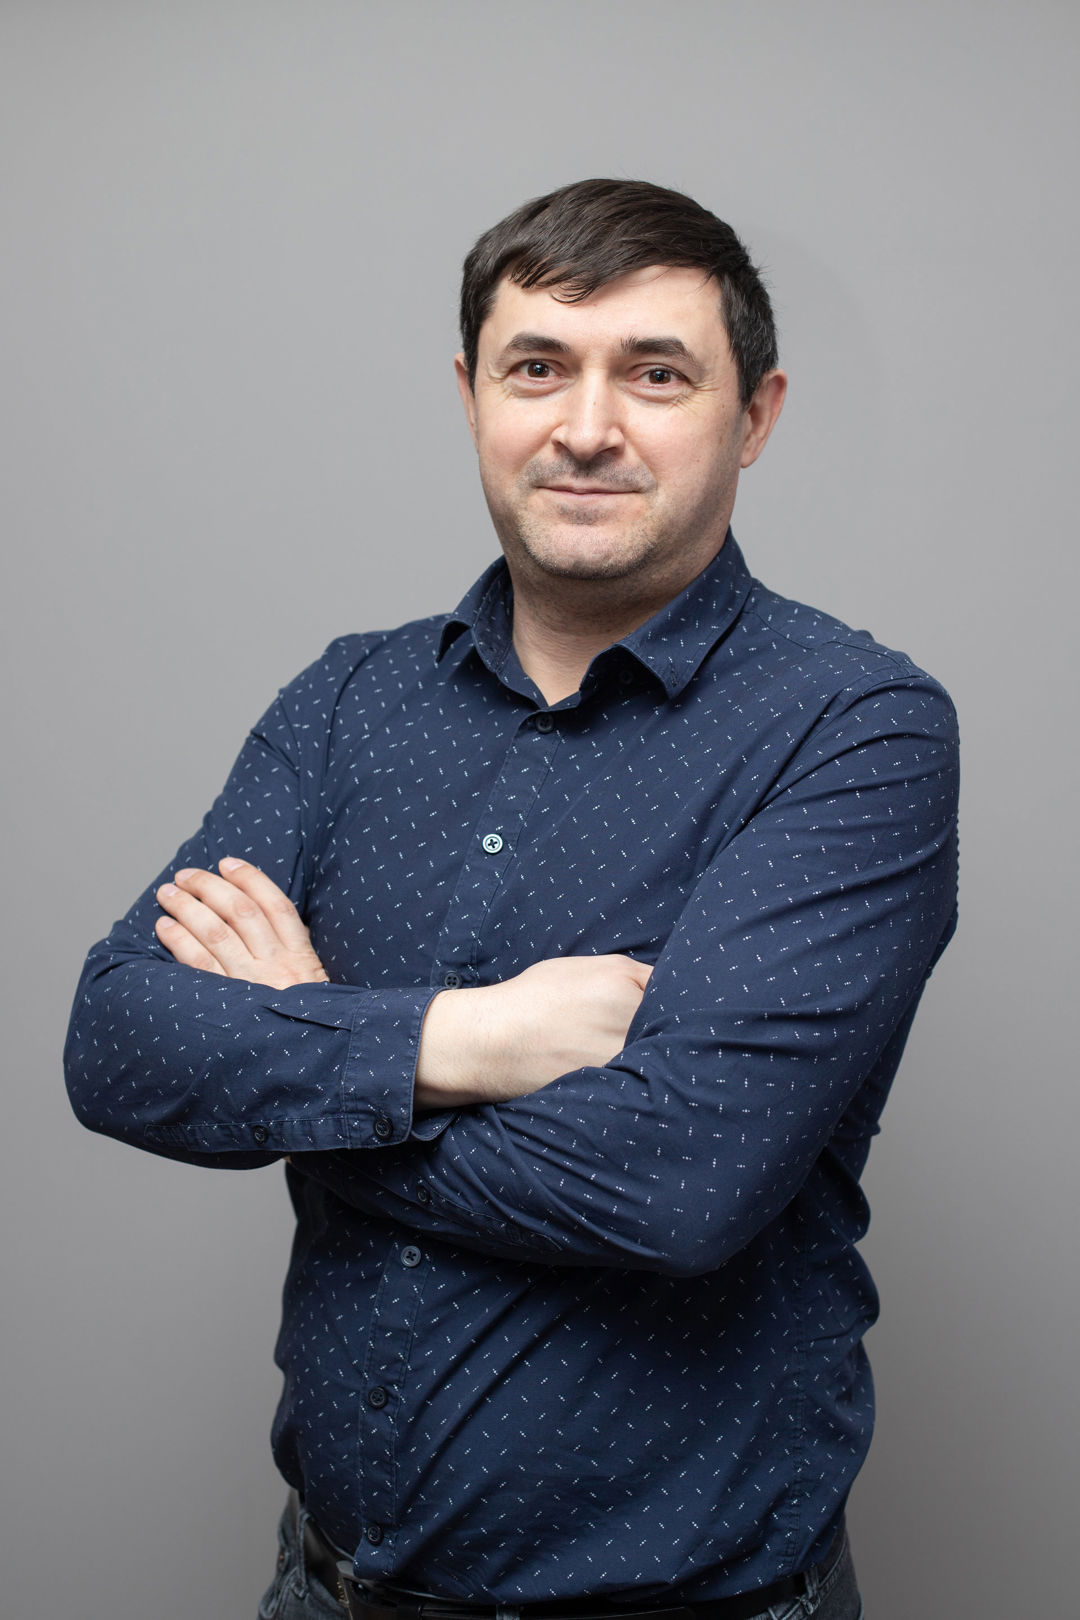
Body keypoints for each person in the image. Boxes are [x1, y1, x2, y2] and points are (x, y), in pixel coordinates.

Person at [65, 178, 958, 1620]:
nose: (587, 427)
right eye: (537, 366)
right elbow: (116, 1042)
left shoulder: (852, 728)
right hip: (325, 1588)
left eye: (655, 375)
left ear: (756, 415)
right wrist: (469, 1041)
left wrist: (299, 1047)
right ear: (471, 394)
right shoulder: (348, 703)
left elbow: (675, 1186)